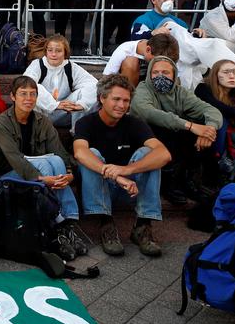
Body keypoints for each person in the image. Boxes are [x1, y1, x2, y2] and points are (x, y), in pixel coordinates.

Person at [0, 76, 92, 262]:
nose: (28, 98)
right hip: (10, 175)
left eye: (32, 94)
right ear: (13, 97)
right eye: (23, 94)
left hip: (42, 174)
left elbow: (59, 152)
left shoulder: (42, 121)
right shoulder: (1, 121)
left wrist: (69, 174)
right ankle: (59, 225)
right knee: (47, 164)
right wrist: (41, 178)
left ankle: (67, 225)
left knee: (55, 160)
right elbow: (13, 158)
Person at [72, 75, 172, 257]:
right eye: (116, 99)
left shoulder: (134, 123)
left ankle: (143, 226)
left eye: (126, 100)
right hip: (101, 188)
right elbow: (79, 152)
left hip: (131, 189)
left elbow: (164, 154)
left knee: (148, 153)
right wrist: (116, 175)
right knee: (90, 154)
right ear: (102, 98)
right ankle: (106, 224)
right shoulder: (86, 123)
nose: (122, 105)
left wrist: (127, 170)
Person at [130, 55, 223, 204]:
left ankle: (190, 180)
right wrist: (191, 126)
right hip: (146, 140)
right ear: (149, 74)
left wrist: (208, 130)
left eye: (165, 73)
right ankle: (168, 183)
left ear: (174, 74)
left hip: (176, 139)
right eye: (155, 73)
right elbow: (147, 112)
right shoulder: (143, 89)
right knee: (172, 129)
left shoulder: (180, 92)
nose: (160, 76)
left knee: (199, 129)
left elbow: (211, 111)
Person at [23, 34, 97, 128]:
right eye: (50, 50)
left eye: (58, 51)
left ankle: (76, 133)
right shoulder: (37, 64)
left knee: (88, 91)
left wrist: (83, 104)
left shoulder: (70, 67)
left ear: (65, 53)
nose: (53, 54)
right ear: (45, 51)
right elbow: (26, 83)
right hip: (40, 113)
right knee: (32, 87)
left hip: (64, 112)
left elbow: (92, 84)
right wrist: (54, 105)